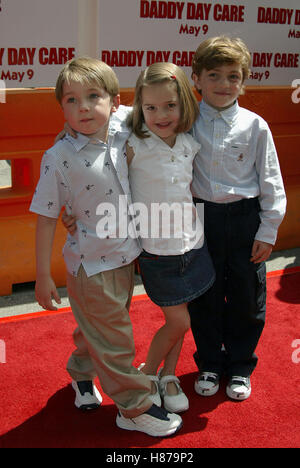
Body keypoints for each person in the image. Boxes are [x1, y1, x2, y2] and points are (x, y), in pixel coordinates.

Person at [30, 56, 183, 437]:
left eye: (93, 96)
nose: (83, 107)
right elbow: (47, 216)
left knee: (95, 328)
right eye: (70, 100)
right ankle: (132, 408)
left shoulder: (123, 125)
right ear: (60, 107)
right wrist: (42, 275)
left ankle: (82, 375)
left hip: (127, 257)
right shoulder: (58, 158)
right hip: (89, 265)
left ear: (115, 101)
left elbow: (158, 105)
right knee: (115, 338)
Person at [188, 36, 287, 400]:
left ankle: (241, 365)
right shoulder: (184, 120)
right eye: (214, 75)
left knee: (247, 295)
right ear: (196, 78)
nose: (224, 84)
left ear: (244, 80)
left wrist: (269, 228)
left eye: (233, 76)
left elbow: (271, 180)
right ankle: (210, 363)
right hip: (200, 218)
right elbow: (136, 125)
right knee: (204, 295)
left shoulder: (255, 126)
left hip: (246, 219)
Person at [126, 62, 215, 413]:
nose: (161, 114)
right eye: (151, 107)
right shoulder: (133, 144)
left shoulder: (189, 144)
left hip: (193, 245)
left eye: (170, 105)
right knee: (180, 320)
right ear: (140, 107)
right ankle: (147, 373)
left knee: (181, 317)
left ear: (184, 105)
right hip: (157, 252)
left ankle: (170, 374)